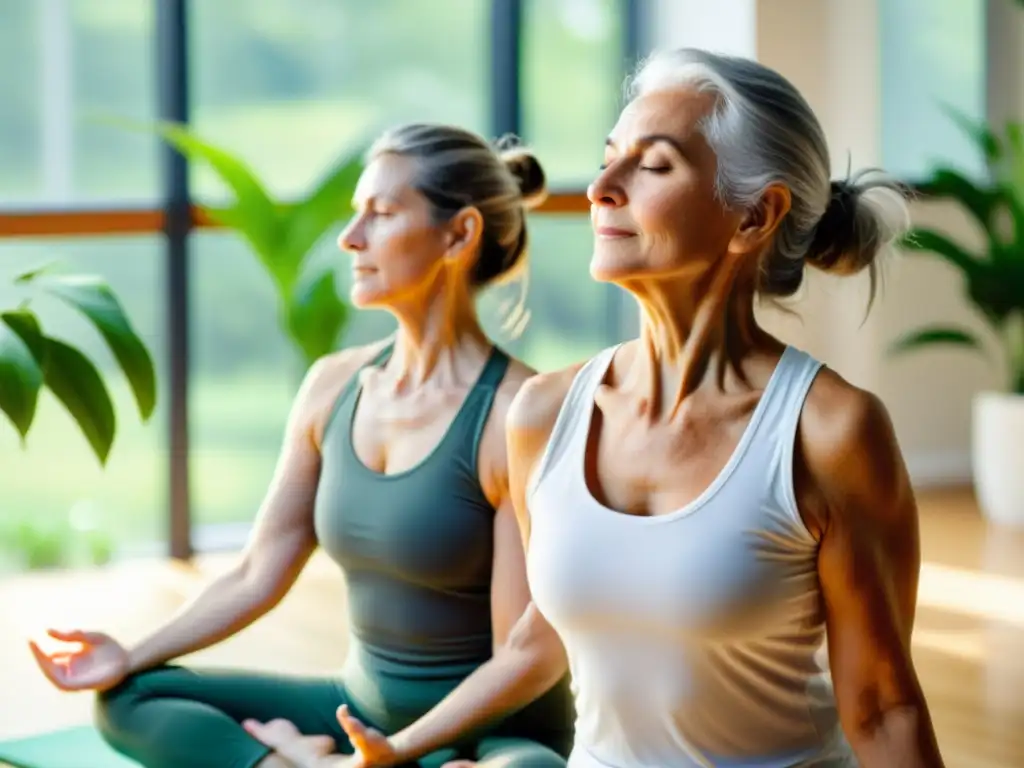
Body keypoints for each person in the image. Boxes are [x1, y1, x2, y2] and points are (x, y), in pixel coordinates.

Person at [244, 48, 948, 768]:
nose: (602, 189)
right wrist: (396, 750)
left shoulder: (830, 431)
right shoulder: (543, 416)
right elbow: (534, 641)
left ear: (753, 216)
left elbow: (885, 709)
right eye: (610, 158)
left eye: (654, 165)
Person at [27, 122, 575, 768]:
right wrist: (130, 653)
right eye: (355, 215)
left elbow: (526, 653)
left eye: (381, 214)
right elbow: (260, 569)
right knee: (133, 698)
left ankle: (305, 763)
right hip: (361, 713)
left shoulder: (518, 412)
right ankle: (307, 763)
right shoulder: (333, 387)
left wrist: (397, 752)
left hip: (488, 735)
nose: (350, 238)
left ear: (459, 235)